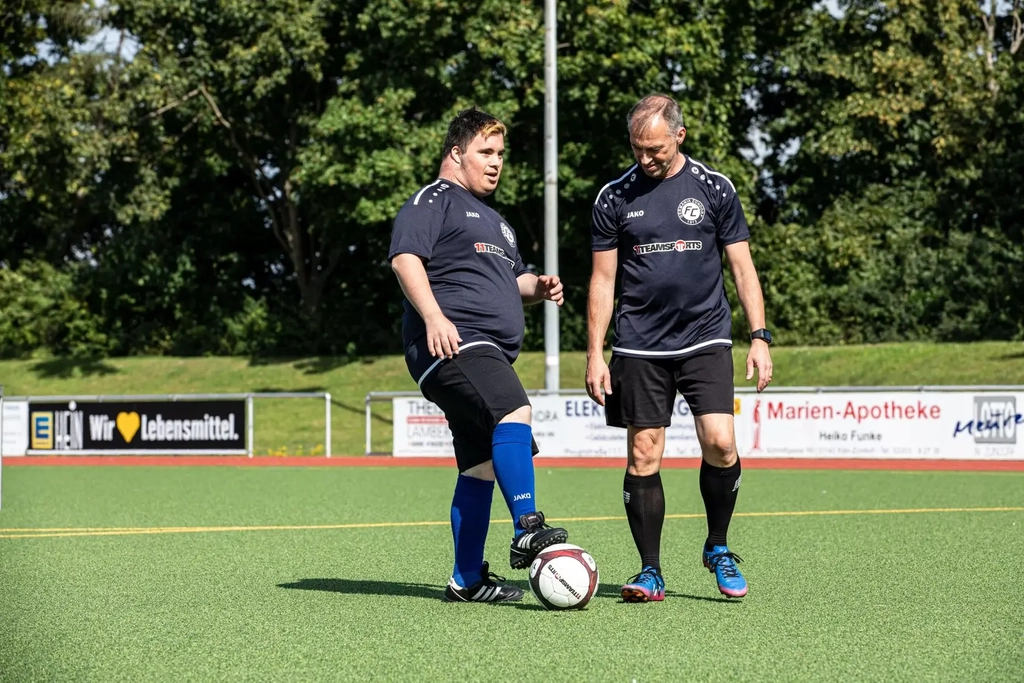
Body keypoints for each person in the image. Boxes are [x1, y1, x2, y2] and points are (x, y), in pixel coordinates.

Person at [586, 94, 773, 601]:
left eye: (655, 148)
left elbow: (741, 267)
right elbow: (603, 281)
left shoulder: (715, 188)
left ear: (679, 136)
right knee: (644, 453)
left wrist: (759, 336)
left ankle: (717, 546)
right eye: (637, 148)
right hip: (640, 345)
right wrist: (594, 353)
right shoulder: (614, 197)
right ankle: (650, 570)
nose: (645, 158)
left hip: (705, 336)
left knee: (720, 442)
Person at [389, 108, 569, 603]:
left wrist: (539, 285)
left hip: (481, 349)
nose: (496, 163)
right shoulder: (435, 199)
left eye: (500, 155)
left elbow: (513, 281)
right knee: (515, 410)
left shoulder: (497, 222)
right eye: (485, 153)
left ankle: (466, 579)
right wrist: (433, 317)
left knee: (479, 466)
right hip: (453, 342)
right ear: (456, 154)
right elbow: (405, 257)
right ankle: (528, 527)